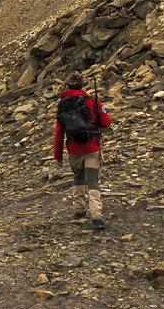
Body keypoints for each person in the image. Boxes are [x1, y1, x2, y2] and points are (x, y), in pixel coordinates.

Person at [54, 70, 112, 229]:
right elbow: (107, 122)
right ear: (82, 85)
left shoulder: (63, 105)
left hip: (73, 150)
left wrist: (57, 155)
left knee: (78, 176)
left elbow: (59, 132)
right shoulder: (91, 101)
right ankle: (96, 216)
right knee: (93, 180)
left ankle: (79, 210)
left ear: (67, 85)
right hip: (92, 147)